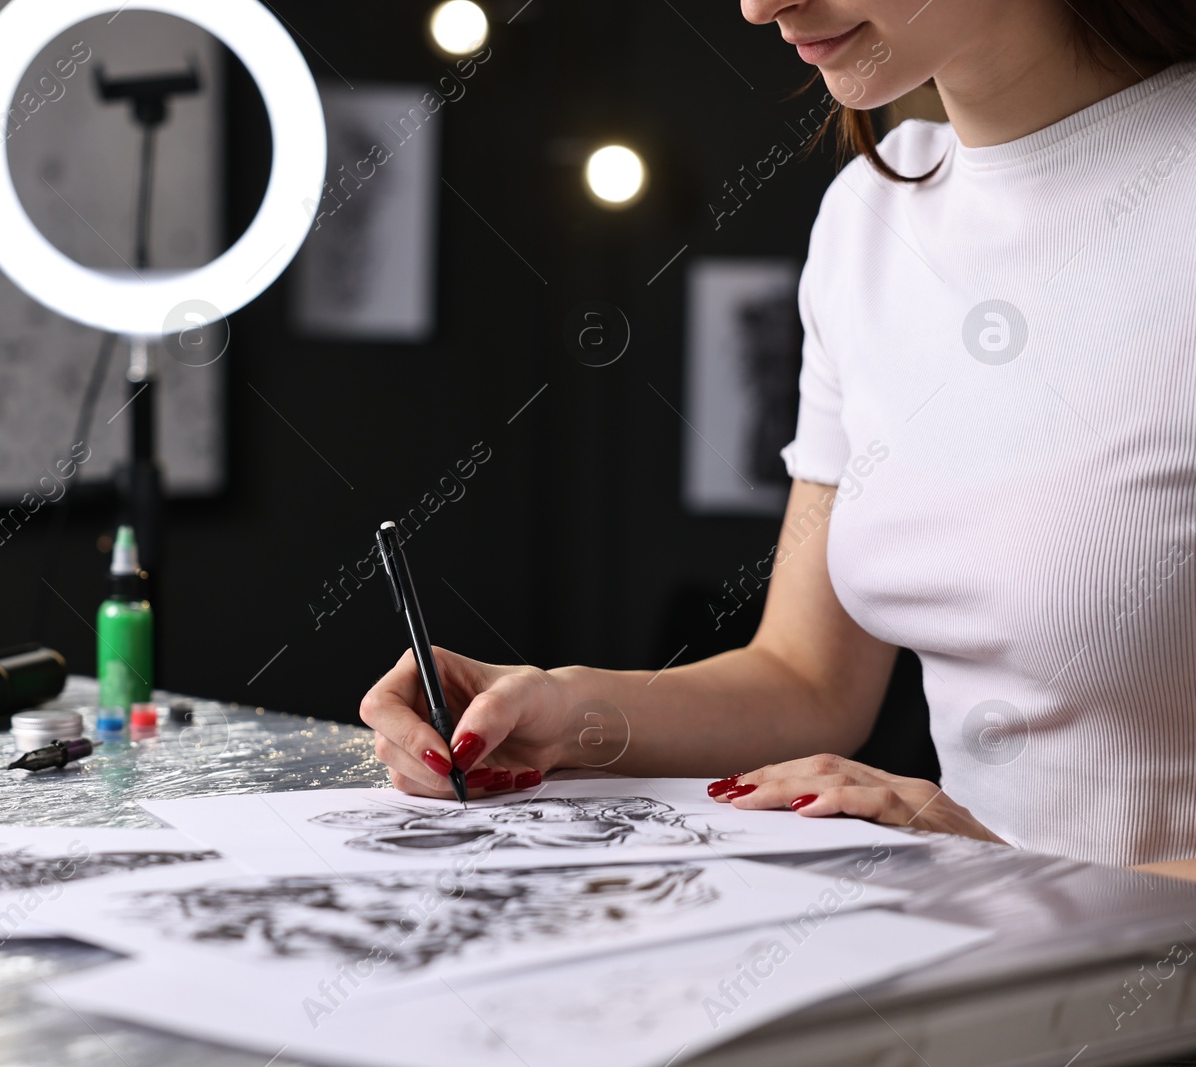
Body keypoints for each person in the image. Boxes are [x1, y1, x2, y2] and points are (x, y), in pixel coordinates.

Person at [360, 0, 1196, 874]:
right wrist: (562, 710)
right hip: (992, 961)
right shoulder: (870, 219)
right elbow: (809, 678)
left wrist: (1029, 871)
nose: (761, 6)